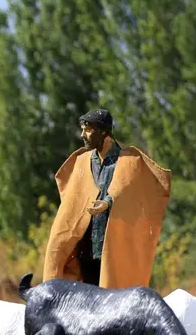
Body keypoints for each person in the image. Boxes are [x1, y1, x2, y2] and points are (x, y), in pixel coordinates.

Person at [42, 108, 172, 289]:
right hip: (85, 250)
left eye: (88, 130)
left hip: (113, 248)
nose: (82, 135)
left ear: (103, 131)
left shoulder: (129, 161)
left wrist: (109, 202)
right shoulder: (81, 161)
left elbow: (130, 191)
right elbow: (72, 201)